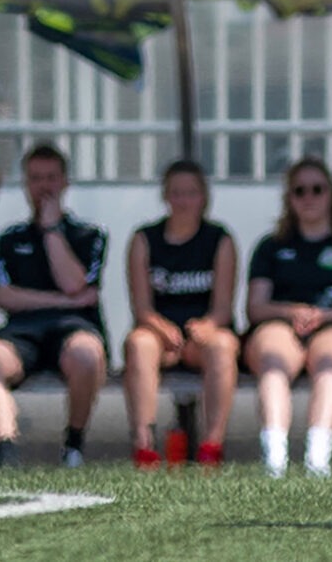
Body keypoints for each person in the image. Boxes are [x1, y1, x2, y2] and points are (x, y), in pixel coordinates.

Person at [0, 142, 108, 468]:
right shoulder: (8, 238)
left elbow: (75, 282)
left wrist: (50, 230)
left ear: (65, 182)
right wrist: (64, 300)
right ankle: (6, 450)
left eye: (51, 177)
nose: (44, 186)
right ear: (25, 183)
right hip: (22, 331)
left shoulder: (89, 235)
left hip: (75, 329)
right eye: (35, 178)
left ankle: (73, 447)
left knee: (87, 355)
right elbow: (2, 296)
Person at [244, 155, 332, 478]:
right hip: (280, 327)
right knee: (273, 366)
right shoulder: (270, 246)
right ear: (289, 198)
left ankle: (317, 462)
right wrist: (291, 312)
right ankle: (274, 462)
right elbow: (255, 306)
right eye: (299, 190)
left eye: (317, 189)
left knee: (328, 368)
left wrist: (324, 315)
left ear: (331, 194)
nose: (309, 198)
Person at [122, 159, 241, 468]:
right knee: (139, 343)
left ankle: (211, 447)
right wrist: (162, 328)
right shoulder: (144, 239)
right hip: (161, 333)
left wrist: (208, 325)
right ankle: (144, 447)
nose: (183, 200)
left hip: (201, 333)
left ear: (203, 197)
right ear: (165, 196)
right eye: (176, 193)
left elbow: (223, 308)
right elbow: (142, 308)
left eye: (190, 193)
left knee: (223, 345)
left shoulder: (219, 239)